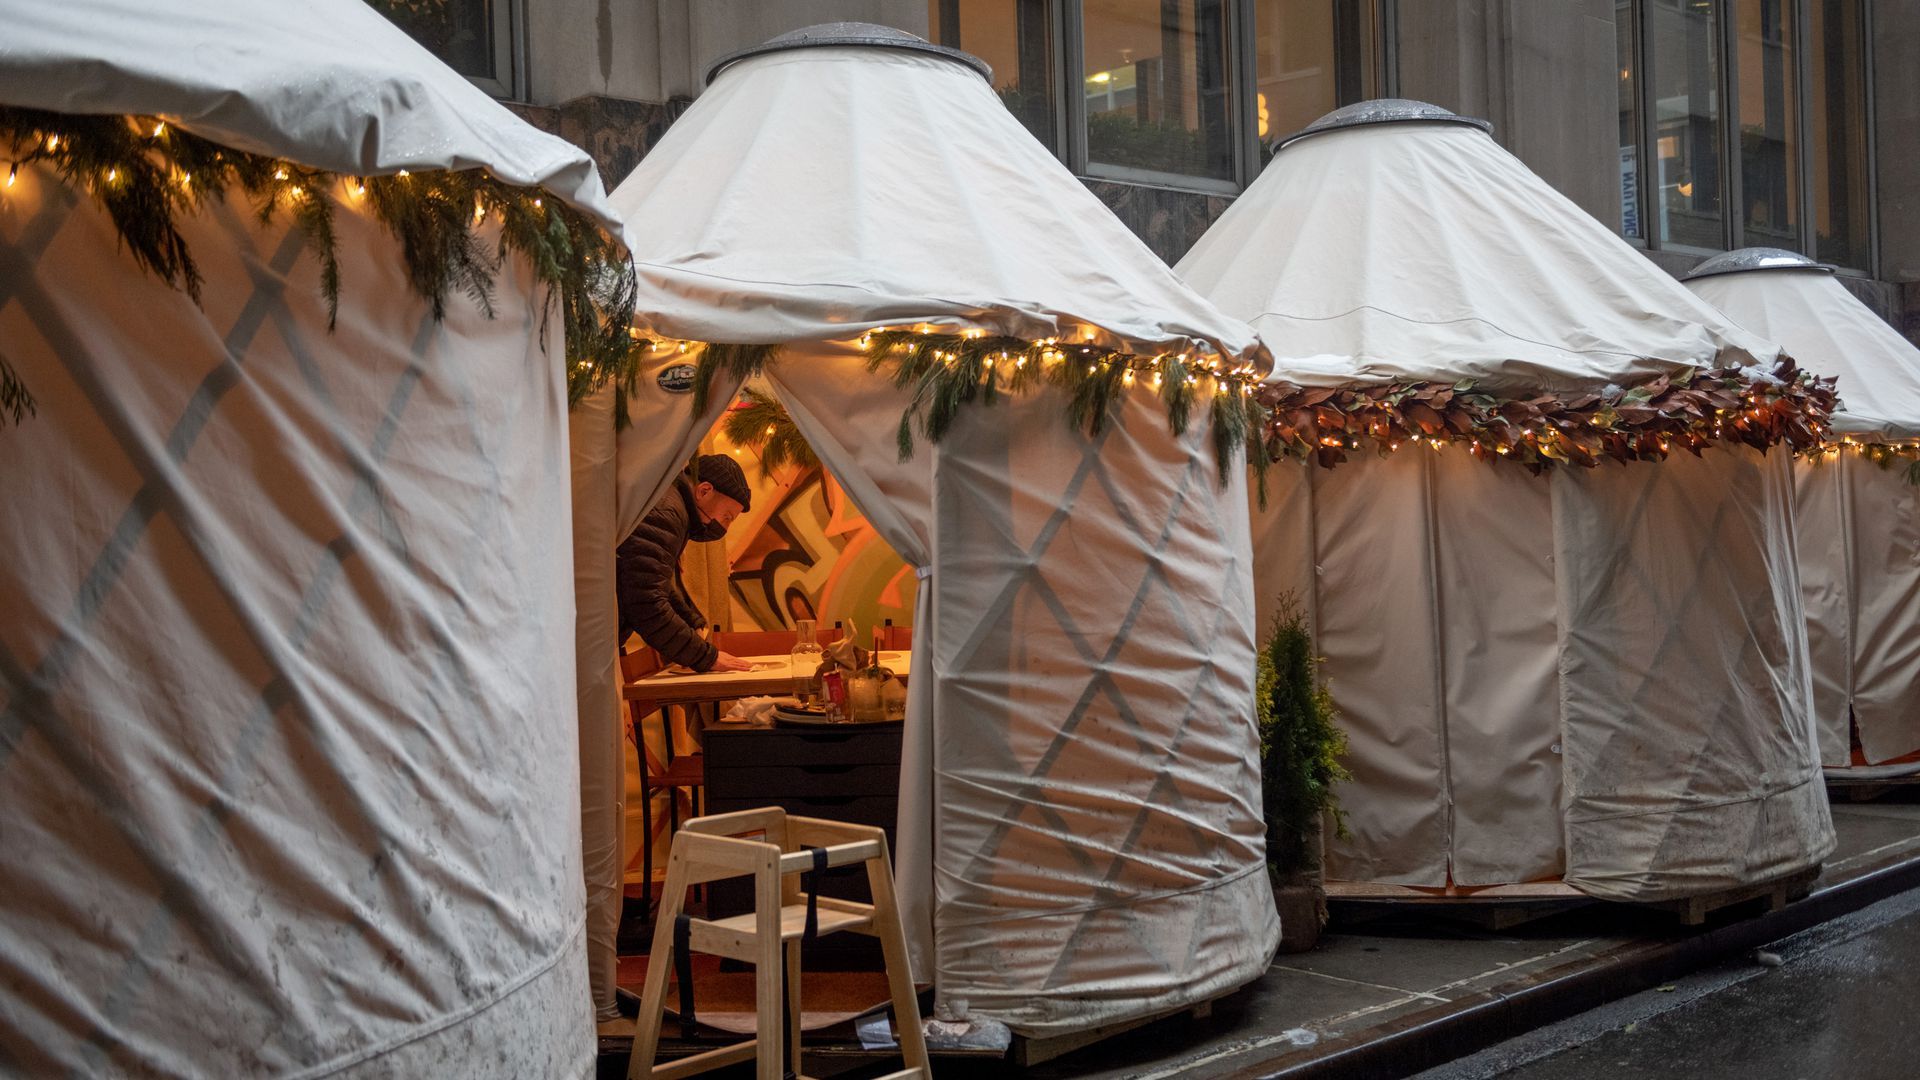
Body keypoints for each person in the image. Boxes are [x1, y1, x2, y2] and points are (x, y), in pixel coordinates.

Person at [617, 454, 754, 672]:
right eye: (727, 517)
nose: (725, 528)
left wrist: (691, 621)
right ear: (704, 491)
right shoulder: (667, 514)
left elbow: (652, 580)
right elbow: (645, 602)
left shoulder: (668, 503)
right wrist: (707, 657)